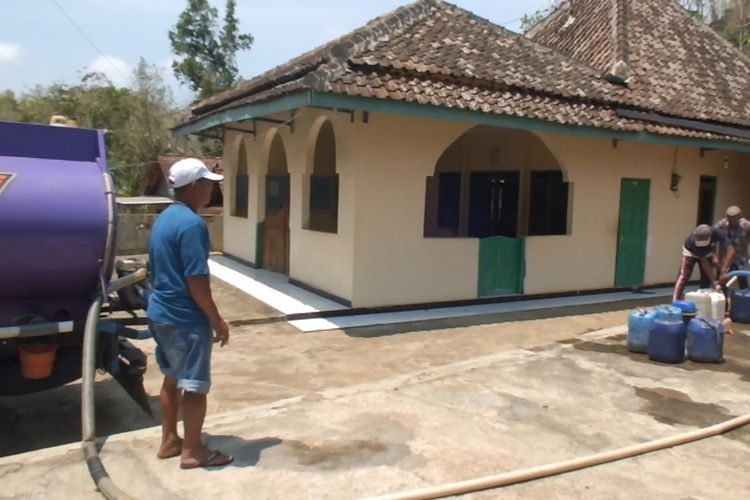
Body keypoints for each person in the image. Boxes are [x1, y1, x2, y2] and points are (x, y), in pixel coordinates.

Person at [147, 158, 232, 469]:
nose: (213, 189)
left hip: (160, 314)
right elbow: (196, 281)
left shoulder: (165, 218)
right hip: (185, 319)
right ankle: (193, 451)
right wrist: (216, 319)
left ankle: (170, 441)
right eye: (209, 183)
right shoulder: (192, 225)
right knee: (194, 387)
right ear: (194, 186)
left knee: (172, 379)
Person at [672, 224, 733, 302]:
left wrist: (723, 270)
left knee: (706, 280)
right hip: (690, 252)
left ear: (711, 235)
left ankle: (702, 301)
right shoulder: (692, 241)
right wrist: (714, 282)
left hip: (707, 253)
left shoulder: (718, 232)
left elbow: (730, 249)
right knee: (684, 275)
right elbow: (704, 261)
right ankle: (675, 300)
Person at [714, 205, 750, 288]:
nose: (732, 220)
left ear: (739, 217)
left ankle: (743, 299)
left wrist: (746, 241)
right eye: (730, 217)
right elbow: (711, 237)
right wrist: (714, 256)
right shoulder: (721, 225)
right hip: (725, 258)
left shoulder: (746, 225)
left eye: (734, 218)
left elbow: (735, 249)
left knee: (743, 281)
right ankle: (721, 298)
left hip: (741, 258)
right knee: (721, 280)